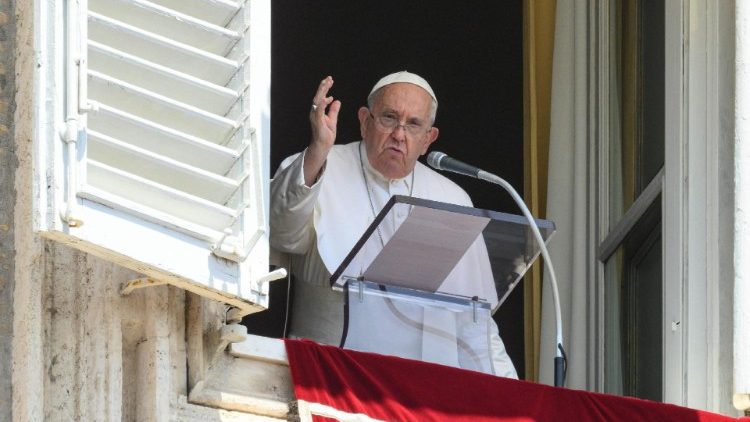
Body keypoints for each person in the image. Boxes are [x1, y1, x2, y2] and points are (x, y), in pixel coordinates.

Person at [270, 71, 517, 378]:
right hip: (330, 374)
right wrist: (318, 149)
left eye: (414, 124)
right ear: (364, 121)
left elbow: (473, 317)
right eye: (389, 118)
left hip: (421, 386)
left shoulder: (454, 199)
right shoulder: (319, 167)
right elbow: (281, 234)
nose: (400, 134)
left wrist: (510, 388)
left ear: (429, 139)